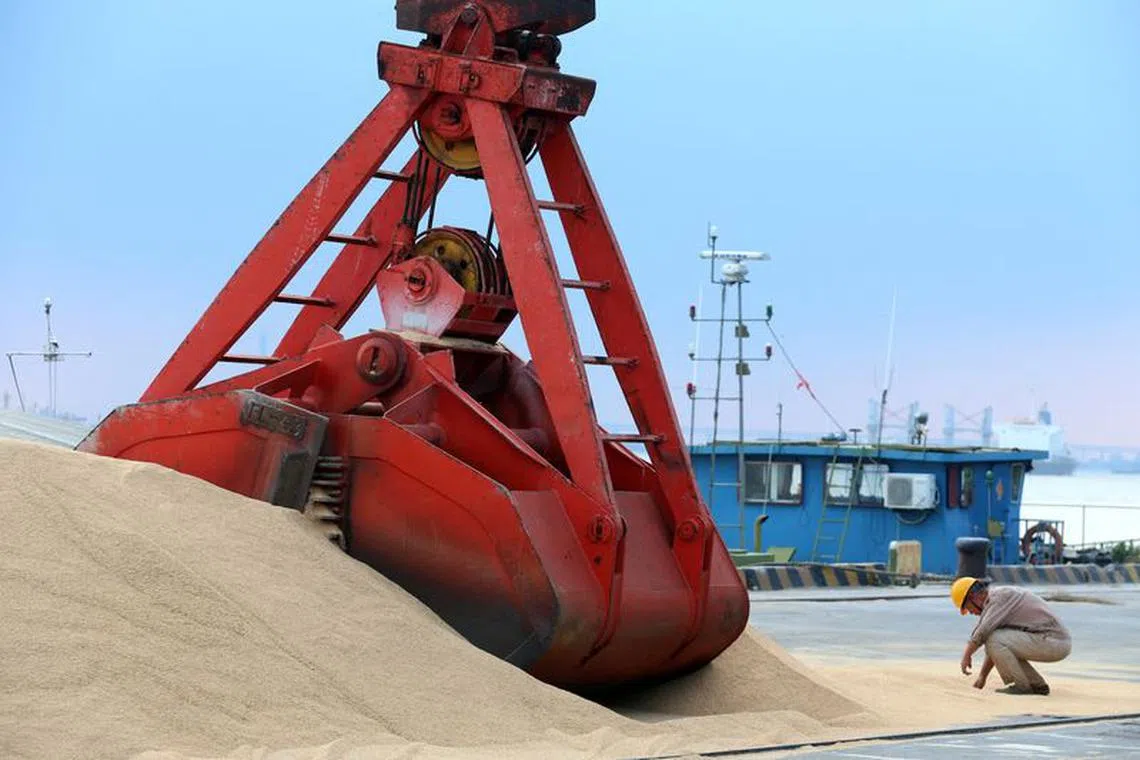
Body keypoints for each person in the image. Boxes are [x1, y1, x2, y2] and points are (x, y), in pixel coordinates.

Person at [950, 576, 1072, 695]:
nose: (971, 612)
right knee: (997, 640)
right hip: (1052, 640)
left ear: (973, 597)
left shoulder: (999, 598)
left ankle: (1021, 686)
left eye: (968, 608)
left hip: (1053, 641)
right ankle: (1036, 685)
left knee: (994, 638)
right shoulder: (997, 601)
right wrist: (982, 677)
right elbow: (996, 651)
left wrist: (967, 656)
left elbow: (983, 632)